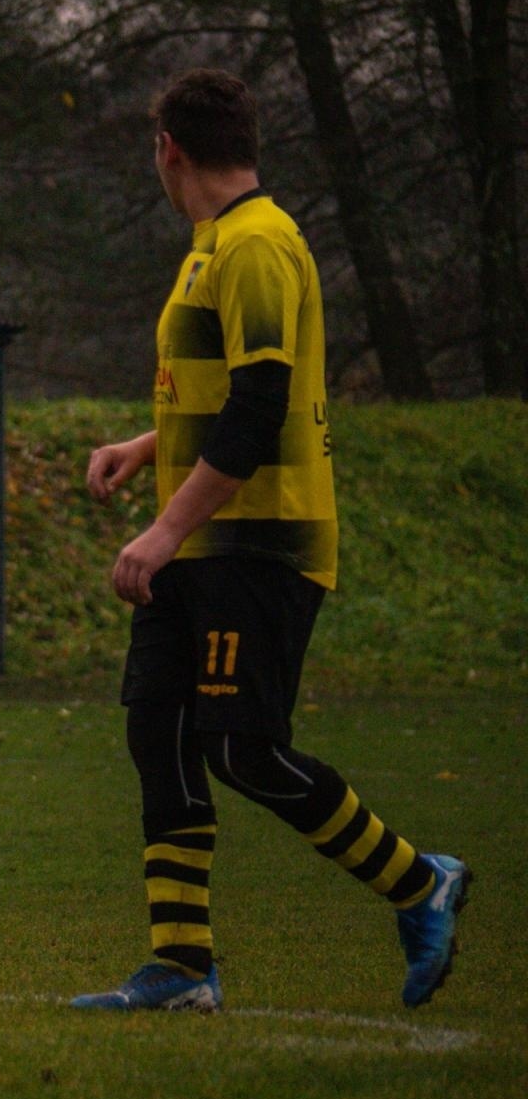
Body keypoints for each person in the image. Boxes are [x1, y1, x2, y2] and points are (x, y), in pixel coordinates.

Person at [71, 70, 468, 1012]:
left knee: (243, 748)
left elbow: (257, 412)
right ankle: (180, 967)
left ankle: (421, 882)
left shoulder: (256, 244)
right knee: (157, 734)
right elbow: (222, 391)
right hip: (211, 539)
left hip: (259, 545)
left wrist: (163, 530)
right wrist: (145, 443)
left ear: (169, 147)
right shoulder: (214, 244)